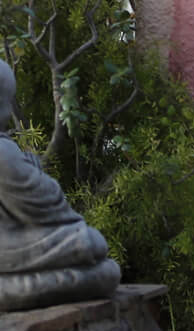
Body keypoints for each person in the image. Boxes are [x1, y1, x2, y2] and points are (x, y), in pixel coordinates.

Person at [0, 60, 120, 310]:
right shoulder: (3, 153)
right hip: (9, 249)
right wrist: (34, 171)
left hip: (10, 242)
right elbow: (47, 207)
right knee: (90, 243)